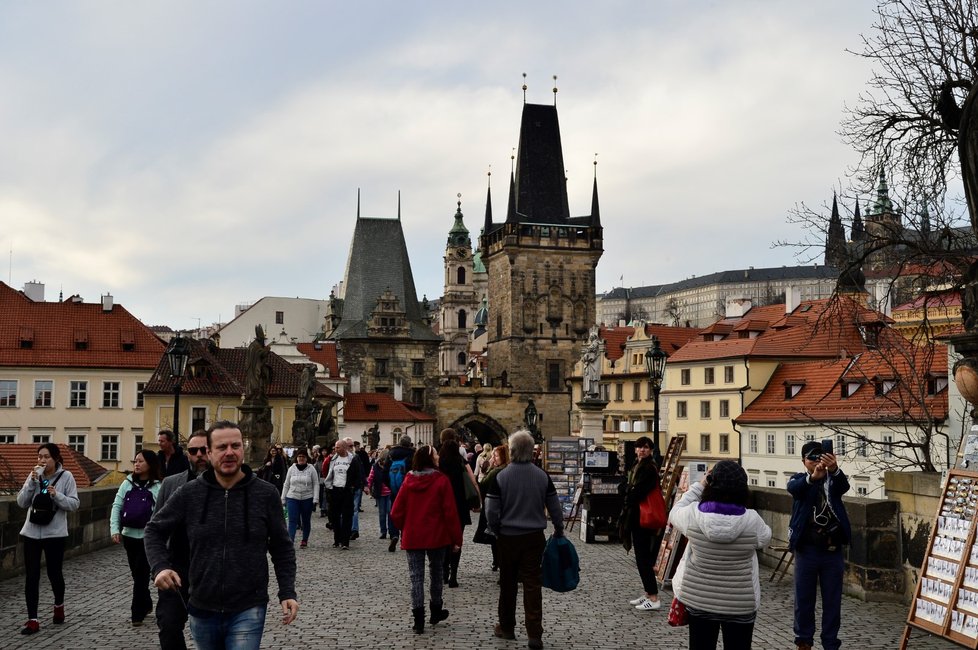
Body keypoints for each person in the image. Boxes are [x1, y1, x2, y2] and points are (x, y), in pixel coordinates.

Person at [145, 421, 298, 649]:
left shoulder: (265, 494)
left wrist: (287, 591)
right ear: (209, 452)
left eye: (235, 446)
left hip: (249, 604)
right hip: (202, 604)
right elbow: (154, 529)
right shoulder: (190, 493)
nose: (229, 453)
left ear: (242, 449)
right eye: (221, 447)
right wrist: (160, 566)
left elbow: (282, 547)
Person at [669, 460, 772, 650]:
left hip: (699, 599)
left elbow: (675, 510)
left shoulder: (693, 516)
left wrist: (700, 485)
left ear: (711, 482)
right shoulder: (752, 520)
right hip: (740, 602)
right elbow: (765, 538)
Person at [485, 430, 564, 650]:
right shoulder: (542, 476)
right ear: (531, 452)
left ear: (511, 451)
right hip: (533, 538)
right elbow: (555, 507)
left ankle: (507, 627)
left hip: (507, 537)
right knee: (532, 584)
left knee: (508, 583)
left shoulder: (501, 476)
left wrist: (495, 528)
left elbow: (491, 509)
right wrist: (559, 529)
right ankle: (534, 633)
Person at [390, 444, 463, 634]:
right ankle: (436, 610)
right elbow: (450, 513)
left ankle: (418, 619)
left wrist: (404, 527)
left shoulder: (408, 481)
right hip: (436, 536)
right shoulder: (441, 481)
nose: (438, 457)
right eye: (436, 455)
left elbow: (396, 511)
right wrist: (456, 539)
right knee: (436, 572)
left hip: (413, 535)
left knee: (416, 577)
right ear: (430, 459)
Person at [788, 441, 851, 650]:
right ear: (803, 461)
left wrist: (833, 469)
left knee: (832, 600)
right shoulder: (800, 480)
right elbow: (794, 489)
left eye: (819, 457)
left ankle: (830, 643)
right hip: (807, 549)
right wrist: (812, 478)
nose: (816, 461)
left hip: (832, 550)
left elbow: (844, 486)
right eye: (811, 458)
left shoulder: (833, 480)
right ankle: (804, 641)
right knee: (804, 598)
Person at [154, 429, 210, 650]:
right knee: (168, 626)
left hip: (209, 569)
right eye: (193, 450)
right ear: (187, 454)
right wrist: (159, 566)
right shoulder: (171, 483)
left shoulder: (225, 486)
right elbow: (155, 527)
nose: (199, 455)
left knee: (208, 633)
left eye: (204, 450)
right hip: (176, 568)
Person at [16, 443, 80, 635]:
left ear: (56, 459)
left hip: (55, 534)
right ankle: (32, 619)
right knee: (32, 576)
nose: (42, 461)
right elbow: (21, 502)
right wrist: (31, 484)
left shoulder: (66, 476)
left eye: (46, 457)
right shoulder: (34, 475)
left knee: (54, 574)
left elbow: (74, 504)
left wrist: (56, 495)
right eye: (39, 457)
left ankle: (59, 605)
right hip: (32, 533)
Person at [111, 449, 164, 626]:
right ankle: (146, 602)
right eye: (135, 461)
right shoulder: (126, 484)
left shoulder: (158, 487)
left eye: (140, 461)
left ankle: (136, 614)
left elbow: (162, 513)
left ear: (150, 464)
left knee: (141, 575)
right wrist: (114, 529)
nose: (137, 464)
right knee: (136, 574)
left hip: (148, 538)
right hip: (129, 536)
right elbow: (117, 506)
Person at [618, 435, 664, 611]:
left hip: (643, 518)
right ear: (636, 449)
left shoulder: (649, 468)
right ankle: (648, 593)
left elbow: (639, 492)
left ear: (651, 450)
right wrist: (628, 490)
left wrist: (628, 492)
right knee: (641, 557)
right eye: (640, 447)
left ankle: (653, 597)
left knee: (643, 558)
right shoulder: (636, 465)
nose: (642, 450)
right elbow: (626, 486)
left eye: (646, 447)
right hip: (636, 516)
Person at [438, 429, 480, 588]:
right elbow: (473, 482)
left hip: (442, 507)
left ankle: (443, 573)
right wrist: (477, 499)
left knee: (443, 540)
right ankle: (454, 575)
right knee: (457, 541)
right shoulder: (462, 461)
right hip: (460, 507)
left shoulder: (438, 462)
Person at [322, 439, 363, 549]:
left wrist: (355, 486)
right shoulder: (333, 459)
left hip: (347, 490)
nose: (335, 449)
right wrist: (328, 486)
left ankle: (345, 541)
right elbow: (328, 472)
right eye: (335, 447)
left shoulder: (352, 459)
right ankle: (337, 539)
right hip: (335, 489)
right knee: (334, 516)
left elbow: (358, 474)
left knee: (347, 516)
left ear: (344, 448)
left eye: (337, 447)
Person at [474, 444, 510, 570]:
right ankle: (499, 561)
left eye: (496, 455)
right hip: (506, 508)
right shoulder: (509, 469)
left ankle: (497, 561)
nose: (493, 458)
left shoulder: (496, 471)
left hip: (494, 505)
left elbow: (483, 483)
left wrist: (489, 467)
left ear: (503, 457)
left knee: (495, 536)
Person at [282, 447, 319, 548]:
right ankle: (290, 541)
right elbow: (286, 484)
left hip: (307, 497)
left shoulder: (311, 469)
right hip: (292, 497)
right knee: (292, 520)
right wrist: (283, 498)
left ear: (306, 458)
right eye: (299, 456)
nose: (301, 458)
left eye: (303, 456)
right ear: (296, 458)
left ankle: (304, 540)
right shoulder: (291, 469)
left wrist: (315, 499)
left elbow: (316, 484)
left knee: (306, 520)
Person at [384, 435, 416, 552]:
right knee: (408, 513)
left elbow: (384, 473)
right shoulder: (412, 455)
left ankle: (394, 535)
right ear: (409, 444)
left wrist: (391, 486)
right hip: (408, 489)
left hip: (394, 489)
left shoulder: (391, 454)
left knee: (393, 511)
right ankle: (405, 537)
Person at [367, 449, 393, 539]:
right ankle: (383, 531)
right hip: (380, 492)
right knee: (382, 513)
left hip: (389, 492)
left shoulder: (391, 466)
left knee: (390, 512)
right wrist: (368, 487)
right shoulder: (375, 467)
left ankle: (391, 530)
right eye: (383, 460)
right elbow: (370, 478)